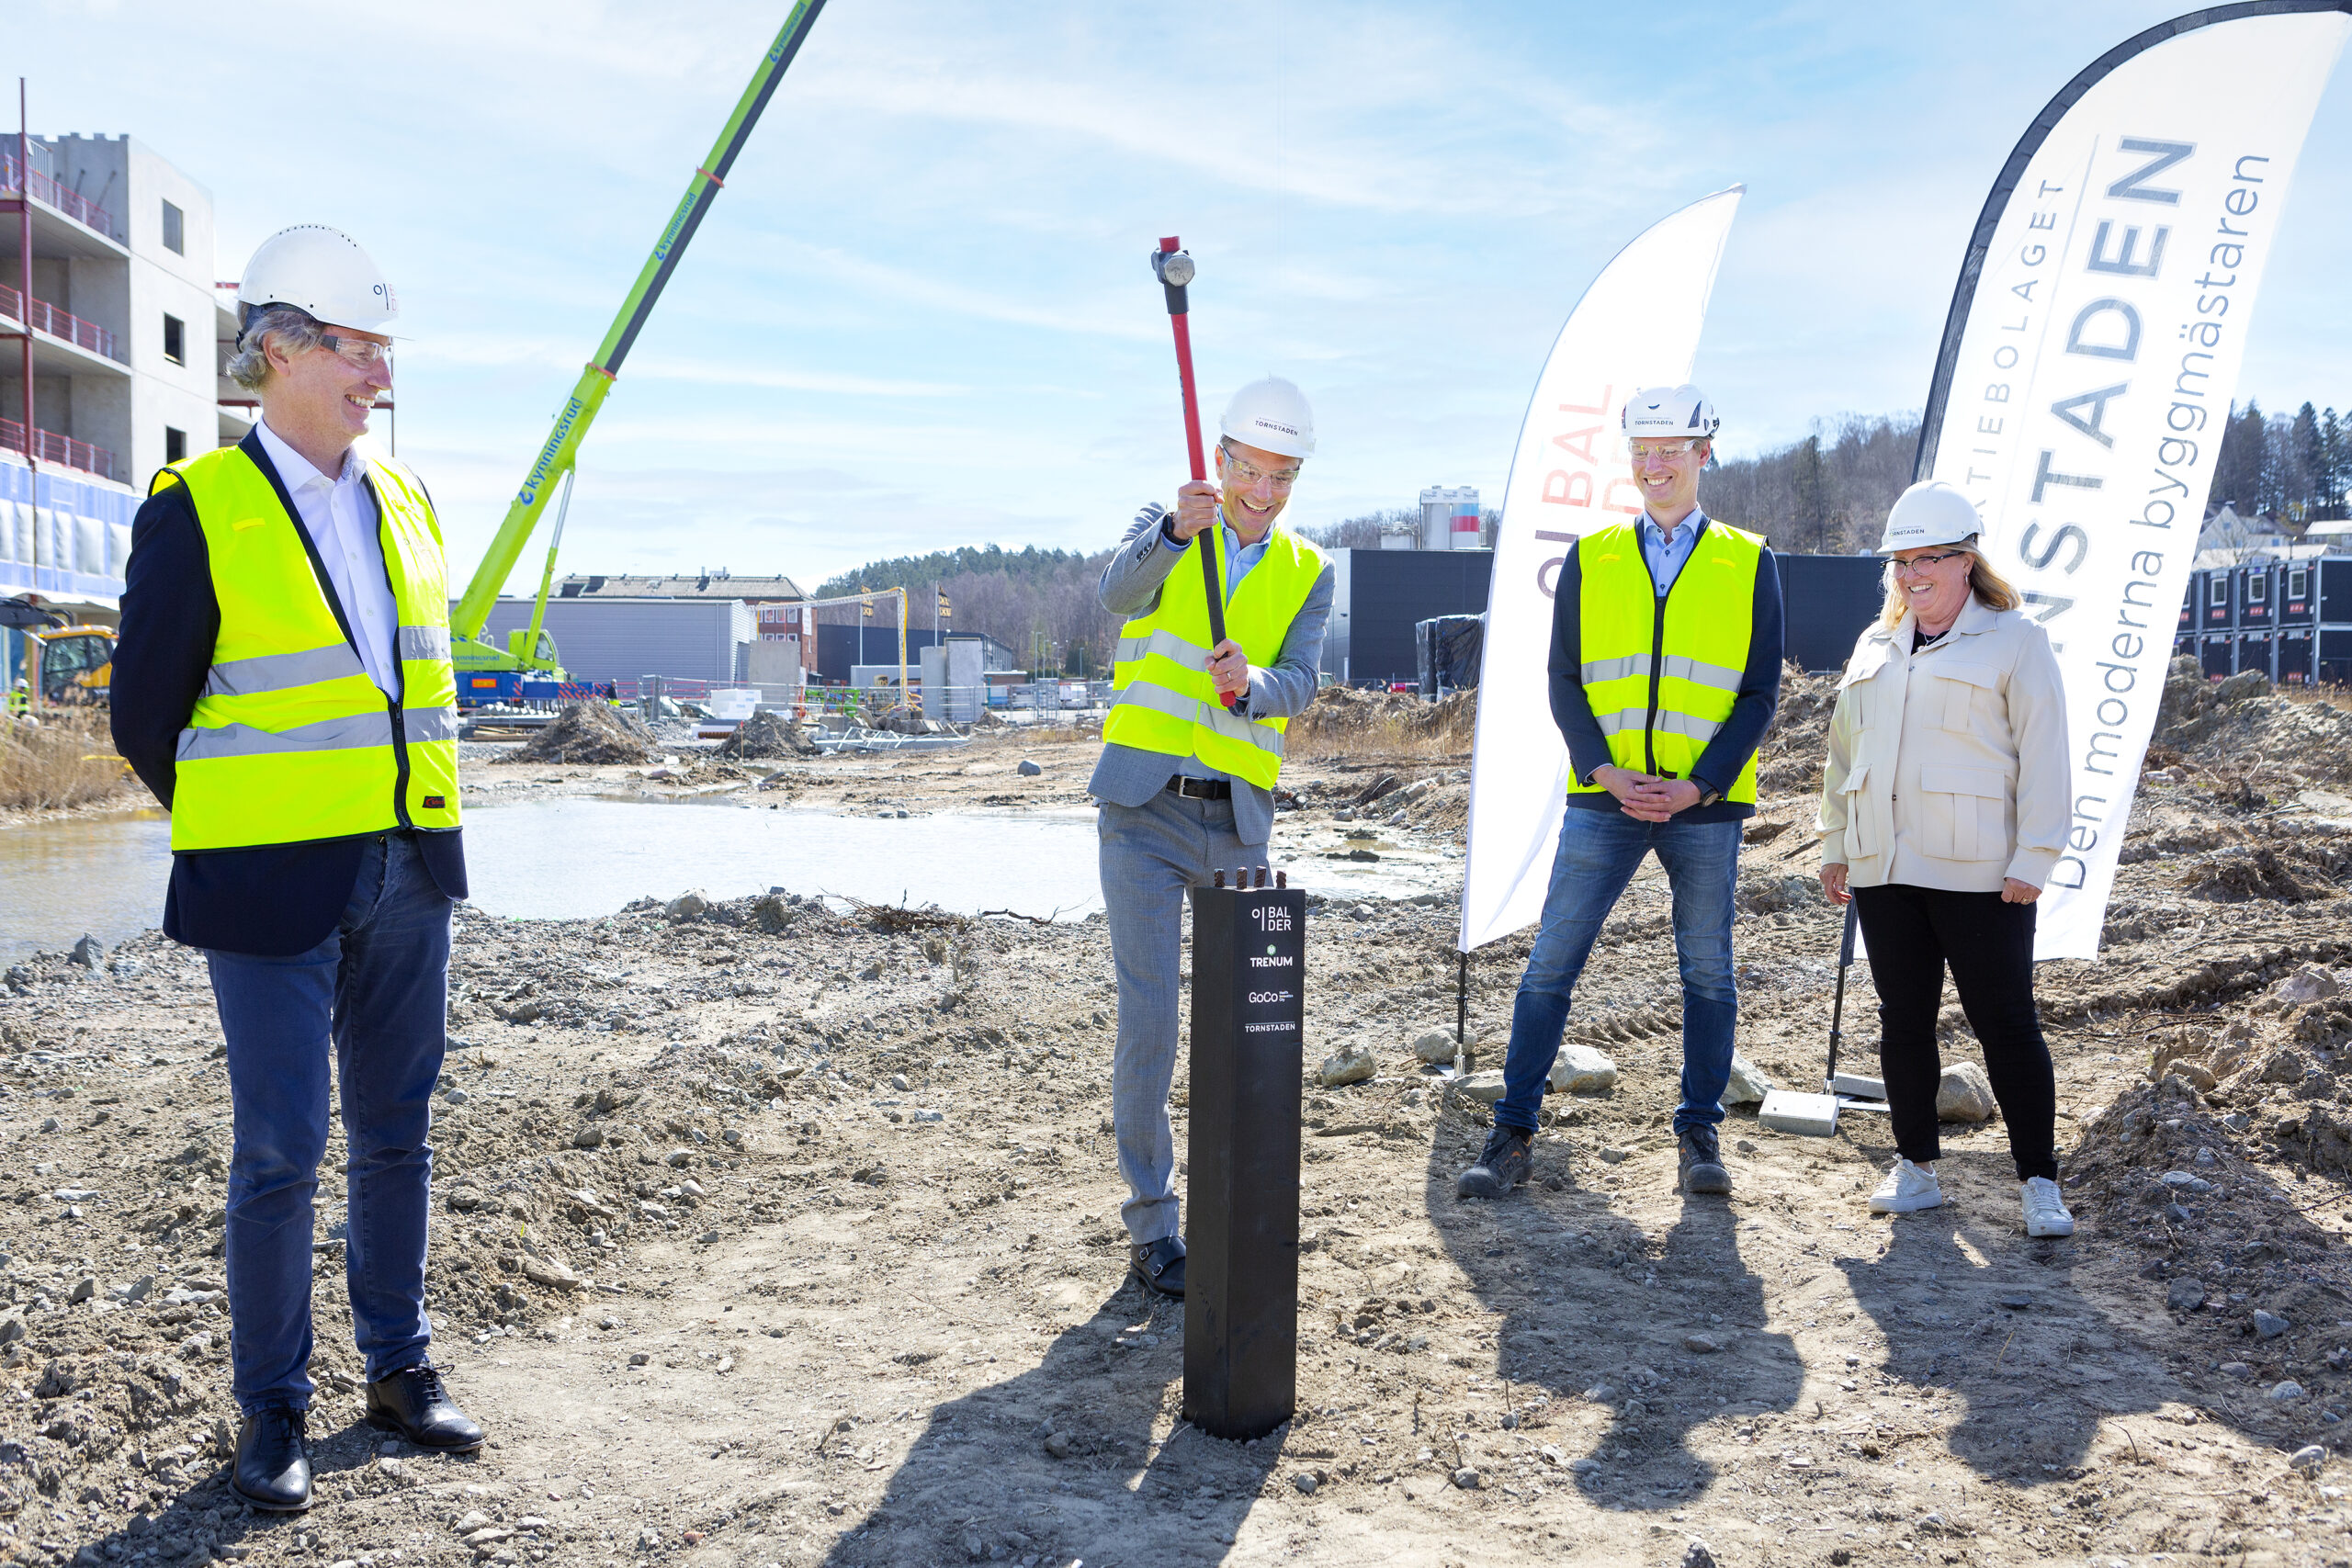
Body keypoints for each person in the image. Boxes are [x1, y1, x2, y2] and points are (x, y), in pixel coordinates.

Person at [110, 226, 483, 1512]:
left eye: (385, 348)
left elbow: (416, 687)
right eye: (354, 345)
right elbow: (141, 715)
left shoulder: (411, 499)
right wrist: (240, 812)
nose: (377, 371)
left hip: (408, 863)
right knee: (281, 1143)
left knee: (398, 1129)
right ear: (278, 348)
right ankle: (271, 1405)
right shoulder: (198, 510)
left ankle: (399, 1365)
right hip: (266, 878)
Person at [1458, 385, 1783, 1201]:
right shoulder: (1592, 555)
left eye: (1673, 447)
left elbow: (1758, 693)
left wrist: (1698, 785)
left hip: (1701, 807)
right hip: (1603, 798)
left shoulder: (1750, 559)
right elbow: (1564, 679)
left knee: (1708, 969)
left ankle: (1700, 1130)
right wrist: (1604, 770)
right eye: (1644, 449)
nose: (1657, 462)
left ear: (1705, 452)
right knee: (1549, 966)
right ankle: (1513, 1132)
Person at [1091, 376, 1335, 1298]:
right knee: (1150, 1022)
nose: (1263, 493)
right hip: (1142, 813)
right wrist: (1172, 535)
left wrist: (1256, 684)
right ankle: (1153, 1229)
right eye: (1250, 471)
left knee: (1242, 1033)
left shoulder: (1310, 569)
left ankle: (1230, 1209)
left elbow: (1302, 681)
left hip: (1235, 821)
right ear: (1221, 459)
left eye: (1283, 477)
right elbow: (1117, 596)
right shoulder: (1167, 525)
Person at [1817, 479, 2075, 1237]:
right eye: (1903, 560)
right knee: (1904, 1022)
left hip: (1980, 875)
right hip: (1885, 870)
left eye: (1931, 557)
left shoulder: (2016, 640)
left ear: (1967, 560)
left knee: (2006, 1023)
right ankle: (1917, 1168)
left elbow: (2046, 755)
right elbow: (1841, 757)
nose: (1913, 573)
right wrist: (1838, 845)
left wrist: (2036, 854)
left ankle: (2038, 1181)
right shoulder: (1874, 645)